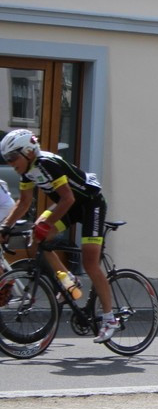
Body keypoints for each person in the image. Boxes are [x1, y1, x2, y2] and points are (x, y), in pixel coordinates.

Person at [0, 129, 119, 343]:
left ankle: (110, 318)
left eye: (12, 157)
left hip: (90, 204)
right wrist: (5, 227)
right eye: (6, 159)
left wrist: (47, 224)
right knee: (35, 239)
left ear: (28, 151)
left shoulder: (47, 163)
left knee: (90, 262)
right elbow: (24, 202)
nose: (10, 163)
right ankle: (68, 280)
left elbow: (68, 198)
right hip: (70, 206)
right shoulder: (27, 171)